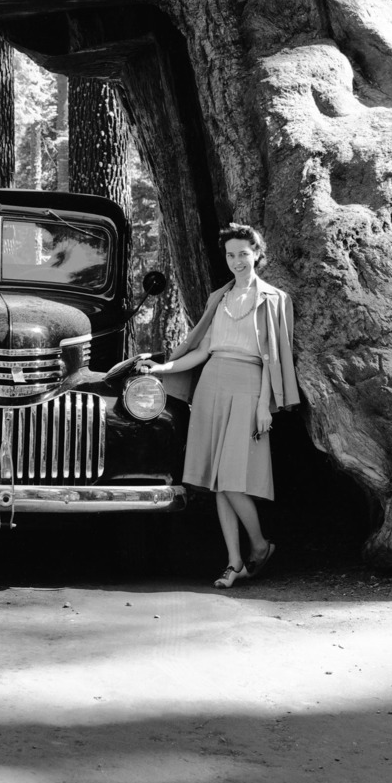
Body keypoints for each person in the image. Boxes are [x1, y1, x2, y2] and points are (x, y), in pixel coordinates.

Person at [136, 223, 298, 588]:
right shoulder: (219, 299)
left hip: (249, 386)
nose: (237, 261)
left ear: (257, 253)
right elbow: (201, 352)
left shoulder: (275, 299)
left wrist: (263, 406)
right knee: (216, 482)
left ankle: (259, 545)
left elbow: (272, 358)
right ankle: (234, 561)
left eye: (243, 253)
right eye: (230, 255)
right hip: (212, 386)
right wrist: (163, 367)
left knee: (233, 480)